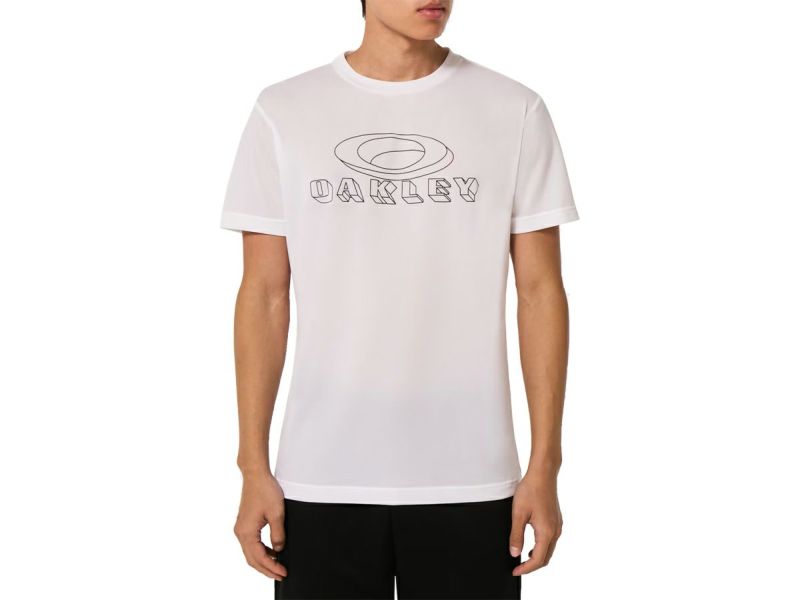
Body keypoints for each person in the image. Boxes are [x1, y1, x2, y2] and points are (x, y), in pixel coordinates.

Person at [219, 1, 578, 597]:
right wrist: (252, 465)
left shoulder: (513, 109)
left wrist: (546, 465)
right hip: (320, 478)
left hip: (473, 479)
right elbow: (263, 295)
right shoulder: (284, 110)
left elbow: (541, 293)